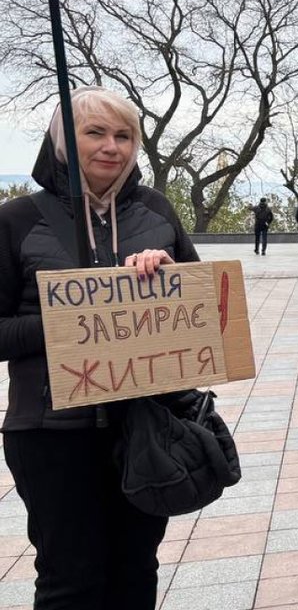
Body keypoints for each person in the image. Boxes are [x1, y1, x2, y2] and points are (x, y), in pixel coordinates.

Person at [0, 86, 199, 608]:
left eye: (124, 135)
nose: (112, 147)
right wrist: (77, 316)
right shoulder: (18, 219)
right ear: (64, 141)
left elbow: (207, 309)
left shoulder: (157, 210)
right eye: (95, 133)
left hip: (143, 426)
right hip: (50, 434)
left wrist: (168, 283)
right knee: (71, 579)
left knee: (136, 571)